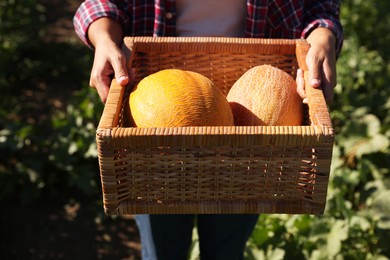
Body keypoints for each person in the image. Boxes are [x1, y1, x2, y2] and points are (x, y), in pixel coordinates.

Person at [73, 1, 343, 259]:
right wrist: (105, 38)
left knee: (226, 250)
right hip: (154, 147)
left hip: (246, 142)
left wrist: (322, 39)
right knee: (161, 252)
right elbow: (106, 3)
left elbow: (319, 6)